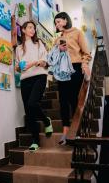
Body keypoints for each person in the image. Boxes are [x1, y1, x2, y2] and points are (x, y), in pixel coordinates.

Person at [53, 12, 91, 145]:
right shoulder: (58, 38)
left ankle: (77, 131)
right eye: (56, 23)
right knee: (63, 101)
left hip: (75, 67)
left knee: (75, 100)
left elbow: (86, 52)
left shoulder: (77, 32)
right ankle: (65, 131)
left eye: (58, 21)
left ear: (65, 20)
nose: (57, 25)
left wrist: (85, 63)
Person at [15, 21, 53, 151]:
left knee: (32, 103)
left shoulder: (38, 43)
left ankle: (46, 120)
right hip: (25, 79)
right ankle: (35, 141)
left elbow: (44, 61)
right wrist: (18, 67)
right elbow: (18, 66)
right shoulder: (19, 48)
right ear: (23, 30)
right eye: (30, 27)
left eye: (34, 28)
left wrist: (34, 63)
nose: (33, 30)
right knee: (29, 111)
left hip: (39, 76)